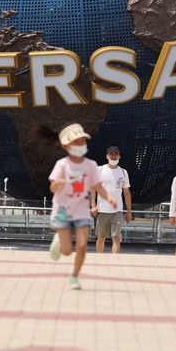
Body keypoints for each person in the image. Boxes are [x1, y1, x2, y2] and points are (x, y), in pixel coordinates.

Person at [48, 124, 116, 290]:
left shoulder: (90, 165)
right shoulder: (62, 164)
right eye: (76, 142)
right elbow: (52, 188)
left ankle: (74, 277)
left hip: (81, 211)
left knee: (83, 245)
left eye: (82, 142)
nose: (80, 145)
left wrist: (109, 198)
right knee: (66, 251)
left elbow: (98, 186)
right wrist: (61, 183)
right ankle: (59, 240)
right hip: (63, 210)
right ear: (67, 146)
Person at [92, 146, 132, 254]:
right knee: (101, 237)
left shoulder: (123, 172)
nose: (113, 156)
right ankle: (99, 260)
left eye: (116, 154)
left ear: (119, 156)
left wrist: (129, 211)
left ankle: (114, 261)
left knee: (116, 237)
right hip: (103, 209)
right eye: (111, 154)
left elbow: (126, 193)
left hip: (117, 210)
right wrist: (93, 205)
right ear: (107, 156)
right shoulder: (99, 170)